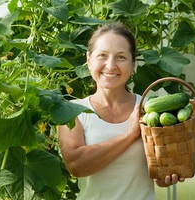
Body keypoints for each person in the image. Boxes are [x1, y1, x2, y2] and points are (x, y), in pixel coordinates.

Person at [58, 21, 185, 200]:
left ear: (133, 64)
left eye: (121, 57)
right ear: (88, 59)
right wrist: (129, 135)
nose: (110, 66)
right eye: (102, 55)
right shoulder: (72, 111)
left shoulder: (150, 110)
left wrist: (166, 175)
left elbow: (162, 168)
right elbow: (76, 165)